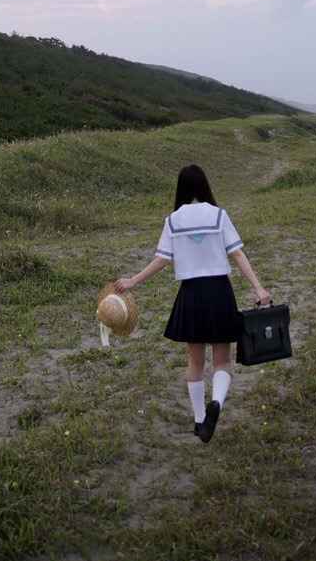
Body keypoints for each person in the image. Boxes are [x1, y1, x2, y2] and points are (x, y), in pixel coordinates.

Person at [114, 162, 271, 443]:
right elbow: (237, 255)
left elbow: (162, 260)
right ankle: (217, 404)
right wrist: (258, 287)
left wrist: (132, 281)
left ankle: (200, 420)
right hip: (219, 292)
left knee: (195, 361)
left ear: (182, 189)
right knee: (222, 361)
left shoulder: (173, 220)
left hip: (191, 294)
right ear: (204, 185)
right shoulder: (219, 215)